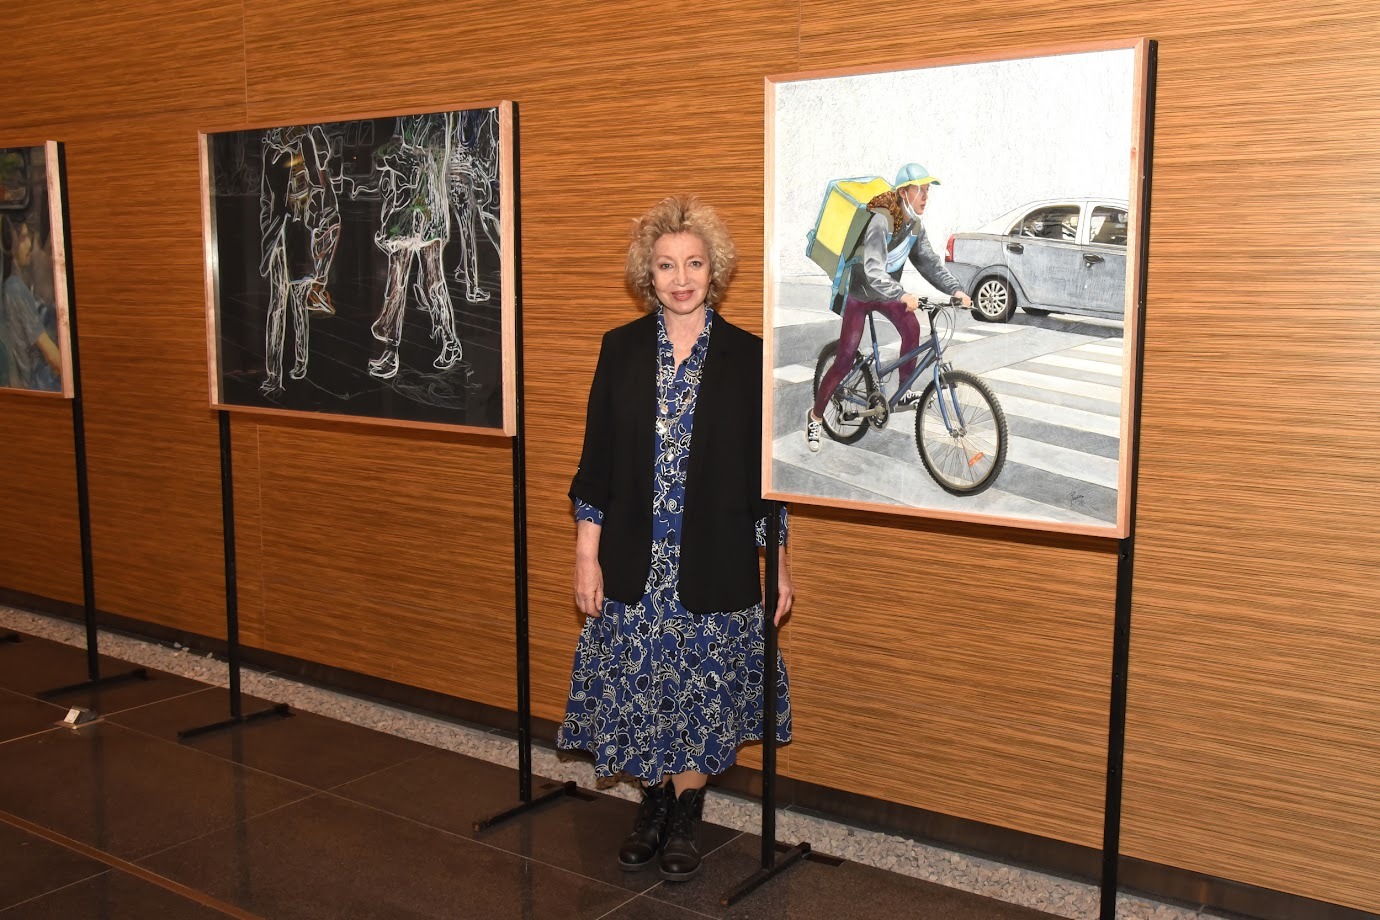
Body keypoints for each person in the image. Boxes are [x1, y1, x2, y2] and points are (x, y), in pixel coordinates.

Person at [560, 197, 793, 883]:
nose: (681, 278)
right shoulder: (621, 349)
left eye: (694, 264)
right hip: (635, 560)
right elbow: (596, 465)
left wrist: (778, 565)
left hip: (714, 558)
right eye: (666, 266)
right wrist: (585, 556)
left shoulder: (749, 357)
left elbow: (766, 483)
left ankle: (687, 808)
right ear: (648, 274)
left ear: (714, 270)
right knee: (639, 686)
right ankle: (653, 802)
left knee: (699, 693)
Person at [806, 162, 973, 451]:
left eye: (927, 190)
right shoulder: (881, 220)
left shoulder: (914, 226)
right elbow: (872, 269)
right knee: (845, 358)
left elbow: (930, 264)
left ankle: (904, 388)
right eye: (920, 190)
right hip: (860, 293)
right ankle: (816, 416)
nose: (926, 196)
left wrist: (955, 289)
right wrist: (902, 294)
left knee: (912, 327)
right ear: (904, 192)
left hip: (886, 294)